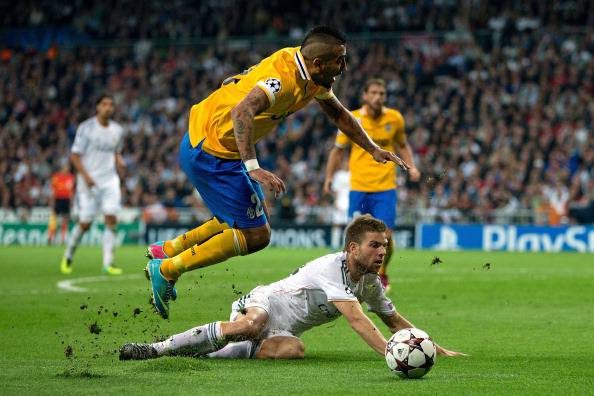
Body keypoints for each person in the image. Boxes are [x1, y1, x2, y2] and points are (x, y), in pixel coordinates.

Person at [144, 26, 409, 319]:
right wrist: (253, 167)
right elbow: (242, 112)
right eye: (340, 60)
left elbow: (338, 113)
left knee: (247, 220)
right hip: (212, 150)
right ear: (318, 63)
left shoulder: (312, 76)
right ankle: (168, 270)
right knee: (256, 235)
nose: (344, 67)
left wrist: (372, 148)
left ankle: (167, 249)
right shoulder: (282, 78)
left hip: (216, 144)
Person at [120, 216, 465, 360]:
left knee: (294, 349)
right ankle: (156, 348)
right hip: (264, 301)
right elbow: (358, 321)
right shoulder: (332, 267)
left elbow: (394, 320)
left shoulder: (370, 284)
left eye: (385, 246)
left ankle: (213, 351)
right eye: (375, 245)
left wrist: (431, 345)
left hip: (283, 327)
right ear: (352, 248)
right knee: (251, 326)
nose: (382, 252)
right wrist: (391, 354)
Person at [323, 79, 420, 290]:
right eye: (374, 93)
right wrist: (329, 178)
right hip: (359, 186)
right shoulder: (352, 118)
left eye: (382, 93)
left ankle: (382, 272)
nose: (378, 97)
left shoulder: (394, 118)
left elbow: (403, 145)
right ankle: (350, 275)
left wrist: (411, 167)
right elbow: (338, 150)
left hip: (385, 187)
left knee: (386, 236)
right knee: (355, 235)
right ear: (365, 95)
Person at [60, 94, 126, 275]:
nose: (108, 107)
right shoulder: (86, 128)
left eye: (111, 104)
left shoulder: (118, 130)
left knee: (111, 218)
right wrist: (86, 176)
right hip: (89, 182)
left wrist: (119, 161)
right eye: (105, 104)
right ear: (97, 107)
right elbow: (74, 155)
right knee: (85, 224)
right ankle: (68, 256)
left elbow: (116, 152)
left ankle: (108, 263)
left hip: (110, 180)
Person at [48, 161, 75, 245]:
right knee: (53, 218)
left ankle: (63, 239)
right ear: (62, 168)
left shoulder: (71, 177)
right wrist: (52, 202)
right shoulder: (56, 177)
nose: (67, 168)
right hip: (57, 199)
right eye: (65, 167)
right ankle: (50, 237)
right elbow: (52, 190)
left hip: (66, 200)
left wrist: (71, 202)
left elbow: (71, 191)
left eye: (67, 167)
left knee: (65, 220)